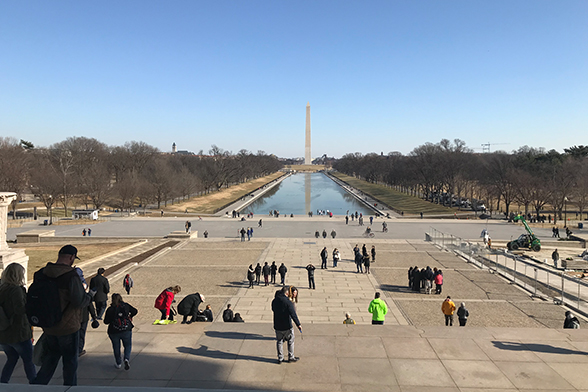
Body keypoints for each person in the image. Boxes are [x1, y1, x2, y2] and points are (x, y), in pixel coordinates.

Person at [31, 245, 92, 386]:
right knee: (70, 363)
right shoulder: (71, 276)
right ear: (71, 258)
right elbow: (80, 301)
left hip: (48, 325)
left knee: (50, 359)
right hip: (68, 327)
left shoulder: (41, 273)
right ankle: (69, 388)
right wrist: (88, 294)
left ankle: (38, 386)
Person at [0, 263, 36, 383]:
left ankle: (3, 381)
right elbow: (20, 310)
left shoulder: (2, 289)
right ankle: (34, 382)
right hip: (18, 332)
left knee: (12, 358)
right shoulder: (16, 290)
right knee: (28, 360)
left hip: (4, 333)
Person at [103, 293, 137, 370]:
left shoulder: (110, 309)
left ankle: (118, 363)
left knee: (116, 347)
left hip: (113, 331)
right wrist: (130, 316)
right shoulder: (125, 306)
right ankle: (126, 358)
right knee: (127, 345)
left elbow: (106, 321)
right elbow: (135, 311)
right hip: (126, 329)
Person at [272, 287, 302, 363]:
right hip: (287, 325)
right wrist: (298, 324)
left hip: (277, 325)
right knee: (291, 340)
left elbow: (273, 309)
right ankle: (291, 356)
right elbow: (293, 314)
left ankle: (280, 358)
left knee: (279, 341)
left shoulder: (274, 301)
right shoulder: (288, 302)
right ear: (287, 293)